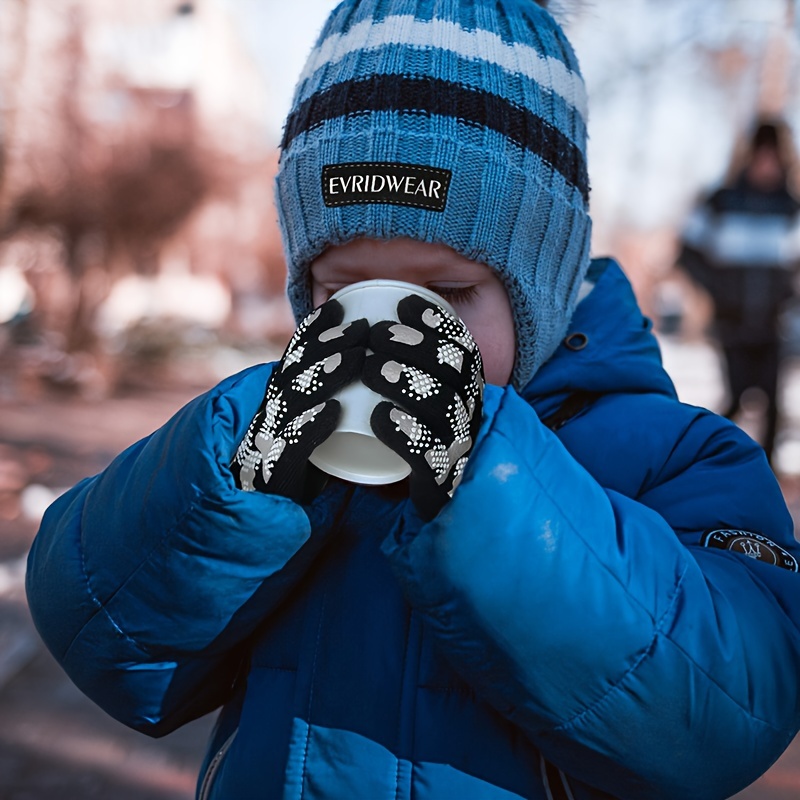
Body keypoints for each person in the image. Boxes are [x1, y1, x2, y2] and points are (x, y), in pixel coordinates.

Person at [25, 2, 800, 799]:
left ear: (544, 289)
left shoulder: (669, 456)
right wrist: (232, 483)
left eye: (448, 295)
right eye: (344, 293)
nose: (391, 336)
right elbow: (101, 636)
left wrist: (490, 481)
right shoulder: (287, 448)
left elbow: (728, 709)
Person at [677, 118, 800, 467]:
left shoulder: (791, 208)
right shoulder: (721, 202)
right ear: (750, 157)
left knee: (773, 404)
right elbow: (687, 252)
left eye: (773, 158)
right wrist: (719, 290)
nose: (767, 166)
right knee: (736, 398)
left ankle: (768, 477)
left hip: (773, 325)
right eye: (762, 157)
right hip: (731, 322)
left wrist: (788, 298)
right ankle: (708, 465)